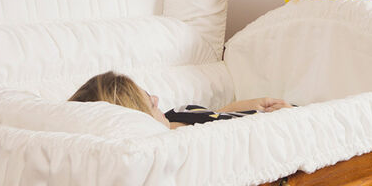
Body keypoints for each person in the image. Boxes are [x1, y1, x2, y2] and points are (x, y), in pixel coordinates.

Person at [70, 71, 288, 128]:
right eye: (151, 104)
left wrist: (232, 108)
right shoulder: (175, 145)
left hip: (270, 111)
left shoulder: (176, 113)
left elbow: (210, 117)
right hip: (278, 123)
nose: (157, 98)